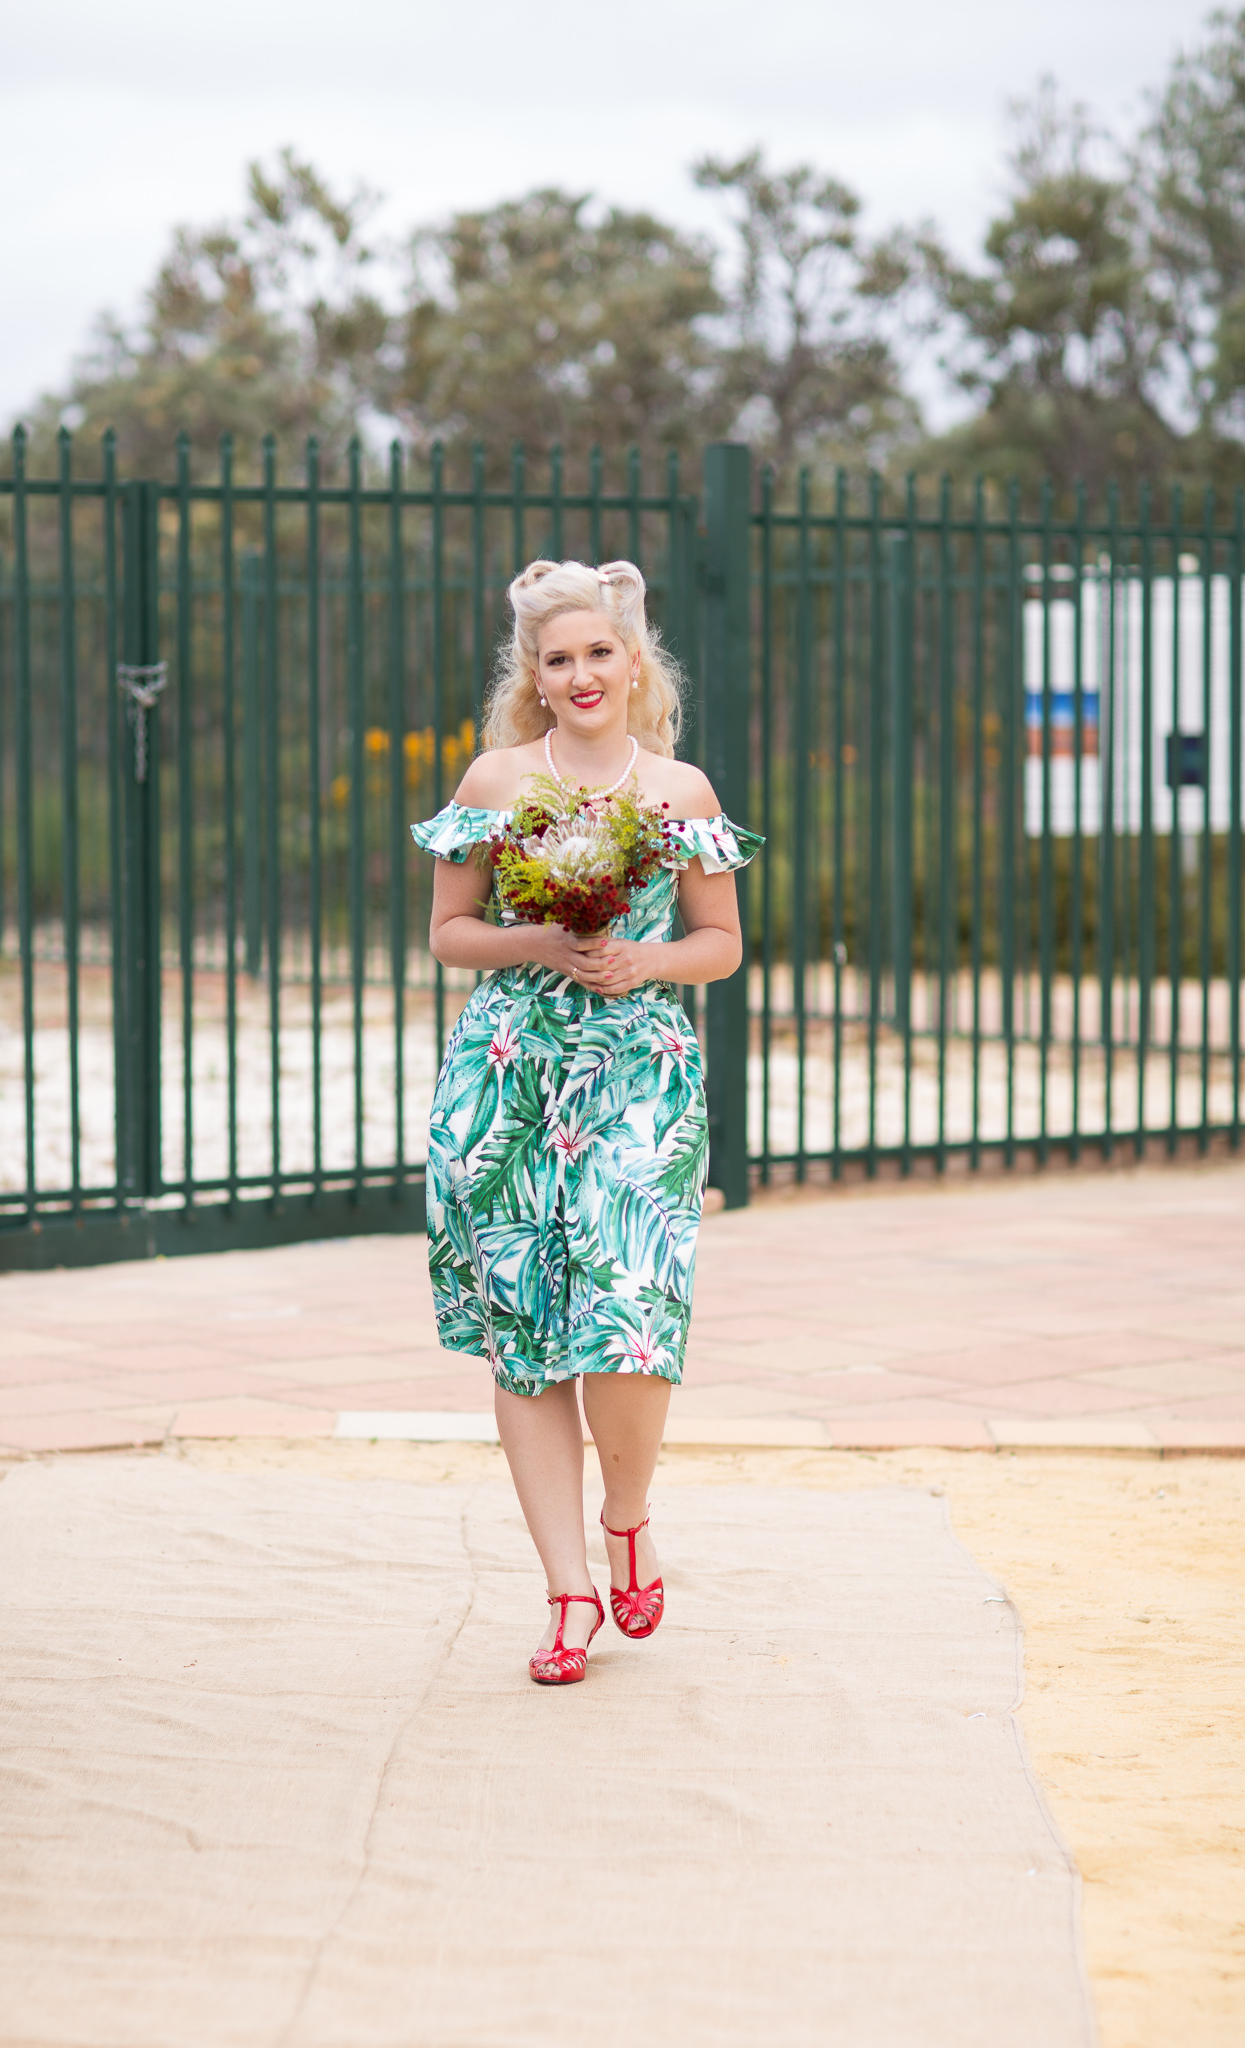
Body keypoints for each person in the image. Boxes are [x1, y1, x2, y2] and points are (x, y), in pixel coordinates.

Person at [412, 559, 761, 1685]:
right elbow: (452, 931)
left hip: (636, 1075)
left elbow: (722, 941)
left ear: (633, 661)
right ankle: (568, 1592)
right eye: (558, 659)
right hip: (507, 1076)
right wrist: (541, 940)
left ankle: (627, 1513)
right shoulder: (497, 780)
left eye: (599, 653)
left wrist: (642, 958)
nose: (580, 674)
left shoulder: (681, 791)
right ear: (535, 673)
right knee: (526, 1338)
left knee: (631, 1315)